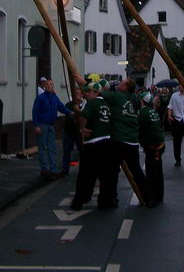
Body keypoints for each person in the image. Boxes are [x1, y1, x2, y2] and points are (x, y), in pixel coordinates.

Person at [105, 79, 153, 208]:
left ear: (125, 87)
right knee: (136, 170)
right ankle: (148, 197)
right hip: (132, 141)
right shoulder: (135, 98)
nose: (119, 85)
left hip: (119, 139)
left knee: (112, 170)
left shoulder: (118, 96)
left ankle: (111, 199)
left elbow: (99, 94)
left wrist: (81, 82)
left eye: (122, 83)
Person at [70, 82, 114, 210]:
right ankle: (105, 202)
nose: (87, 94)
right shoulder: (106, 105)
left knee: (86, 174)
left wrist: (82, 129)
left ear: (96, 92)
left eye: (89, 91)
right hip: (107, 142)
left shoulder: (91, 103)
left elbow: (84, 117)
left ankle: (80, 200)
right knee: (105, 175)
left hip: (93, 143)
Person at [32, 79, 71, 179]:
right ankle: (45, 168)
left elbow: (61, 107)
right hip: (42, 124)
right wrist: (36, 125)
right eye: (47, 84)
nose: (49, 86)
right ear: (44, 86)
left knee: (52, 147)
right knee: (43, 147)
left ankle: (53, 169)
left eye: (51, 84)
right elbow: (35, 112)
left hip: (51, 124)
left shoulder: (54, 98)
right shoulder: (40, 98)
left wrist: (71, 112)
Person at [138, 91, 164, 204]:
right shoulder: (153, 112)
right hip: (160, 143)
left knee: (151, 171)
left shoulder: (142, 112)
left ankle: (151, 196)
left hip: (152, 145)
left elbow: (137, 126)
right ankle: (159, 195)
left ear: (142, 101)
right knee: (158, 170)